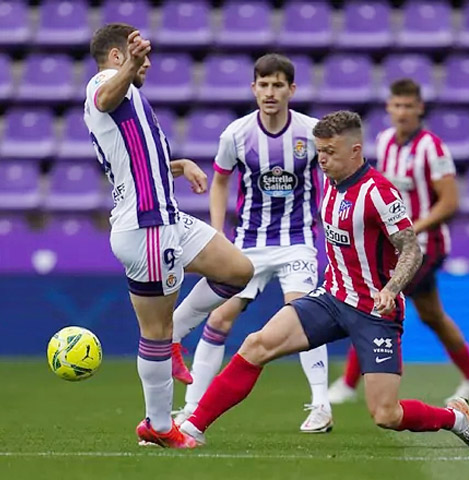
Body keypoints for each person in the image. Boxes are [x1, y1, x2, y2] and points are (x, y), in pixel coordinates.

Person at [176, 111, 469, 448]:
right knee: (256, 344)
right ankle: (192, 428)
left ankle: (456, 419)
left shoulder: (379, 194)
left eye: (330, 152)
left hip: (375, 312)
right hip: (332, 298)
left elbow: (411, 249)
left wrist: (391, 288)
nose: (322, 160)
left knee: (386, 415)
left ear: (356, 150)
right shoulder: (329, 181)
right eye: (319, 151)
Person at [84, 23, 253, 449]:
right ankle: (159, 427)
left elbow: (135, 160)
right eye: (139, 55)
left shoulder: (131, 100)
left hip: (167, 219)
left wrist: (179, 165)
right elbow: (106, 97)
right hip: (148, 228)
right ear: (118, 56)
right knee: (154, 333)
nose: (149, 63)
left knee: (237, 271)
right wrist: (132, 67)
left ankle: (176, 336)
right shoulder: (105, 83)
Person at [170, 54, 332, 433]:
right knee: (220, 317)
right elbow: (221, 180)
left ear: (291, 90)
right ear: (253, 88)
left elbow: (331, 176)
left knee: (303, 315)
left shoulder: (310, 132)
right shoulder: (236, 135)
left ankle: (322, 405)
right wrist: (216, 234)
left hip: (297, 242)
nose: (270, 92)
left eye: (278, 85)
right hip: (248, 245)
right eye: (264, 85)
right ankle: (192, 407)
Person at [328, 79, 469, 405]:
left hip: (424, 246)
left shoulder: (433, 148)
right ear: (388, 107)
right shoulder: (385, 141)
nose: (401, 112)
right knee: (432, 315)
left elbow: (449, 202)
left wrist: (412, 228)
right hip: (395, 245)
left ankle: (347, 384)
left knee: (377, 300)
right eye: (396, 105)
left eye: (408, 106)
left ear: (419, 108)